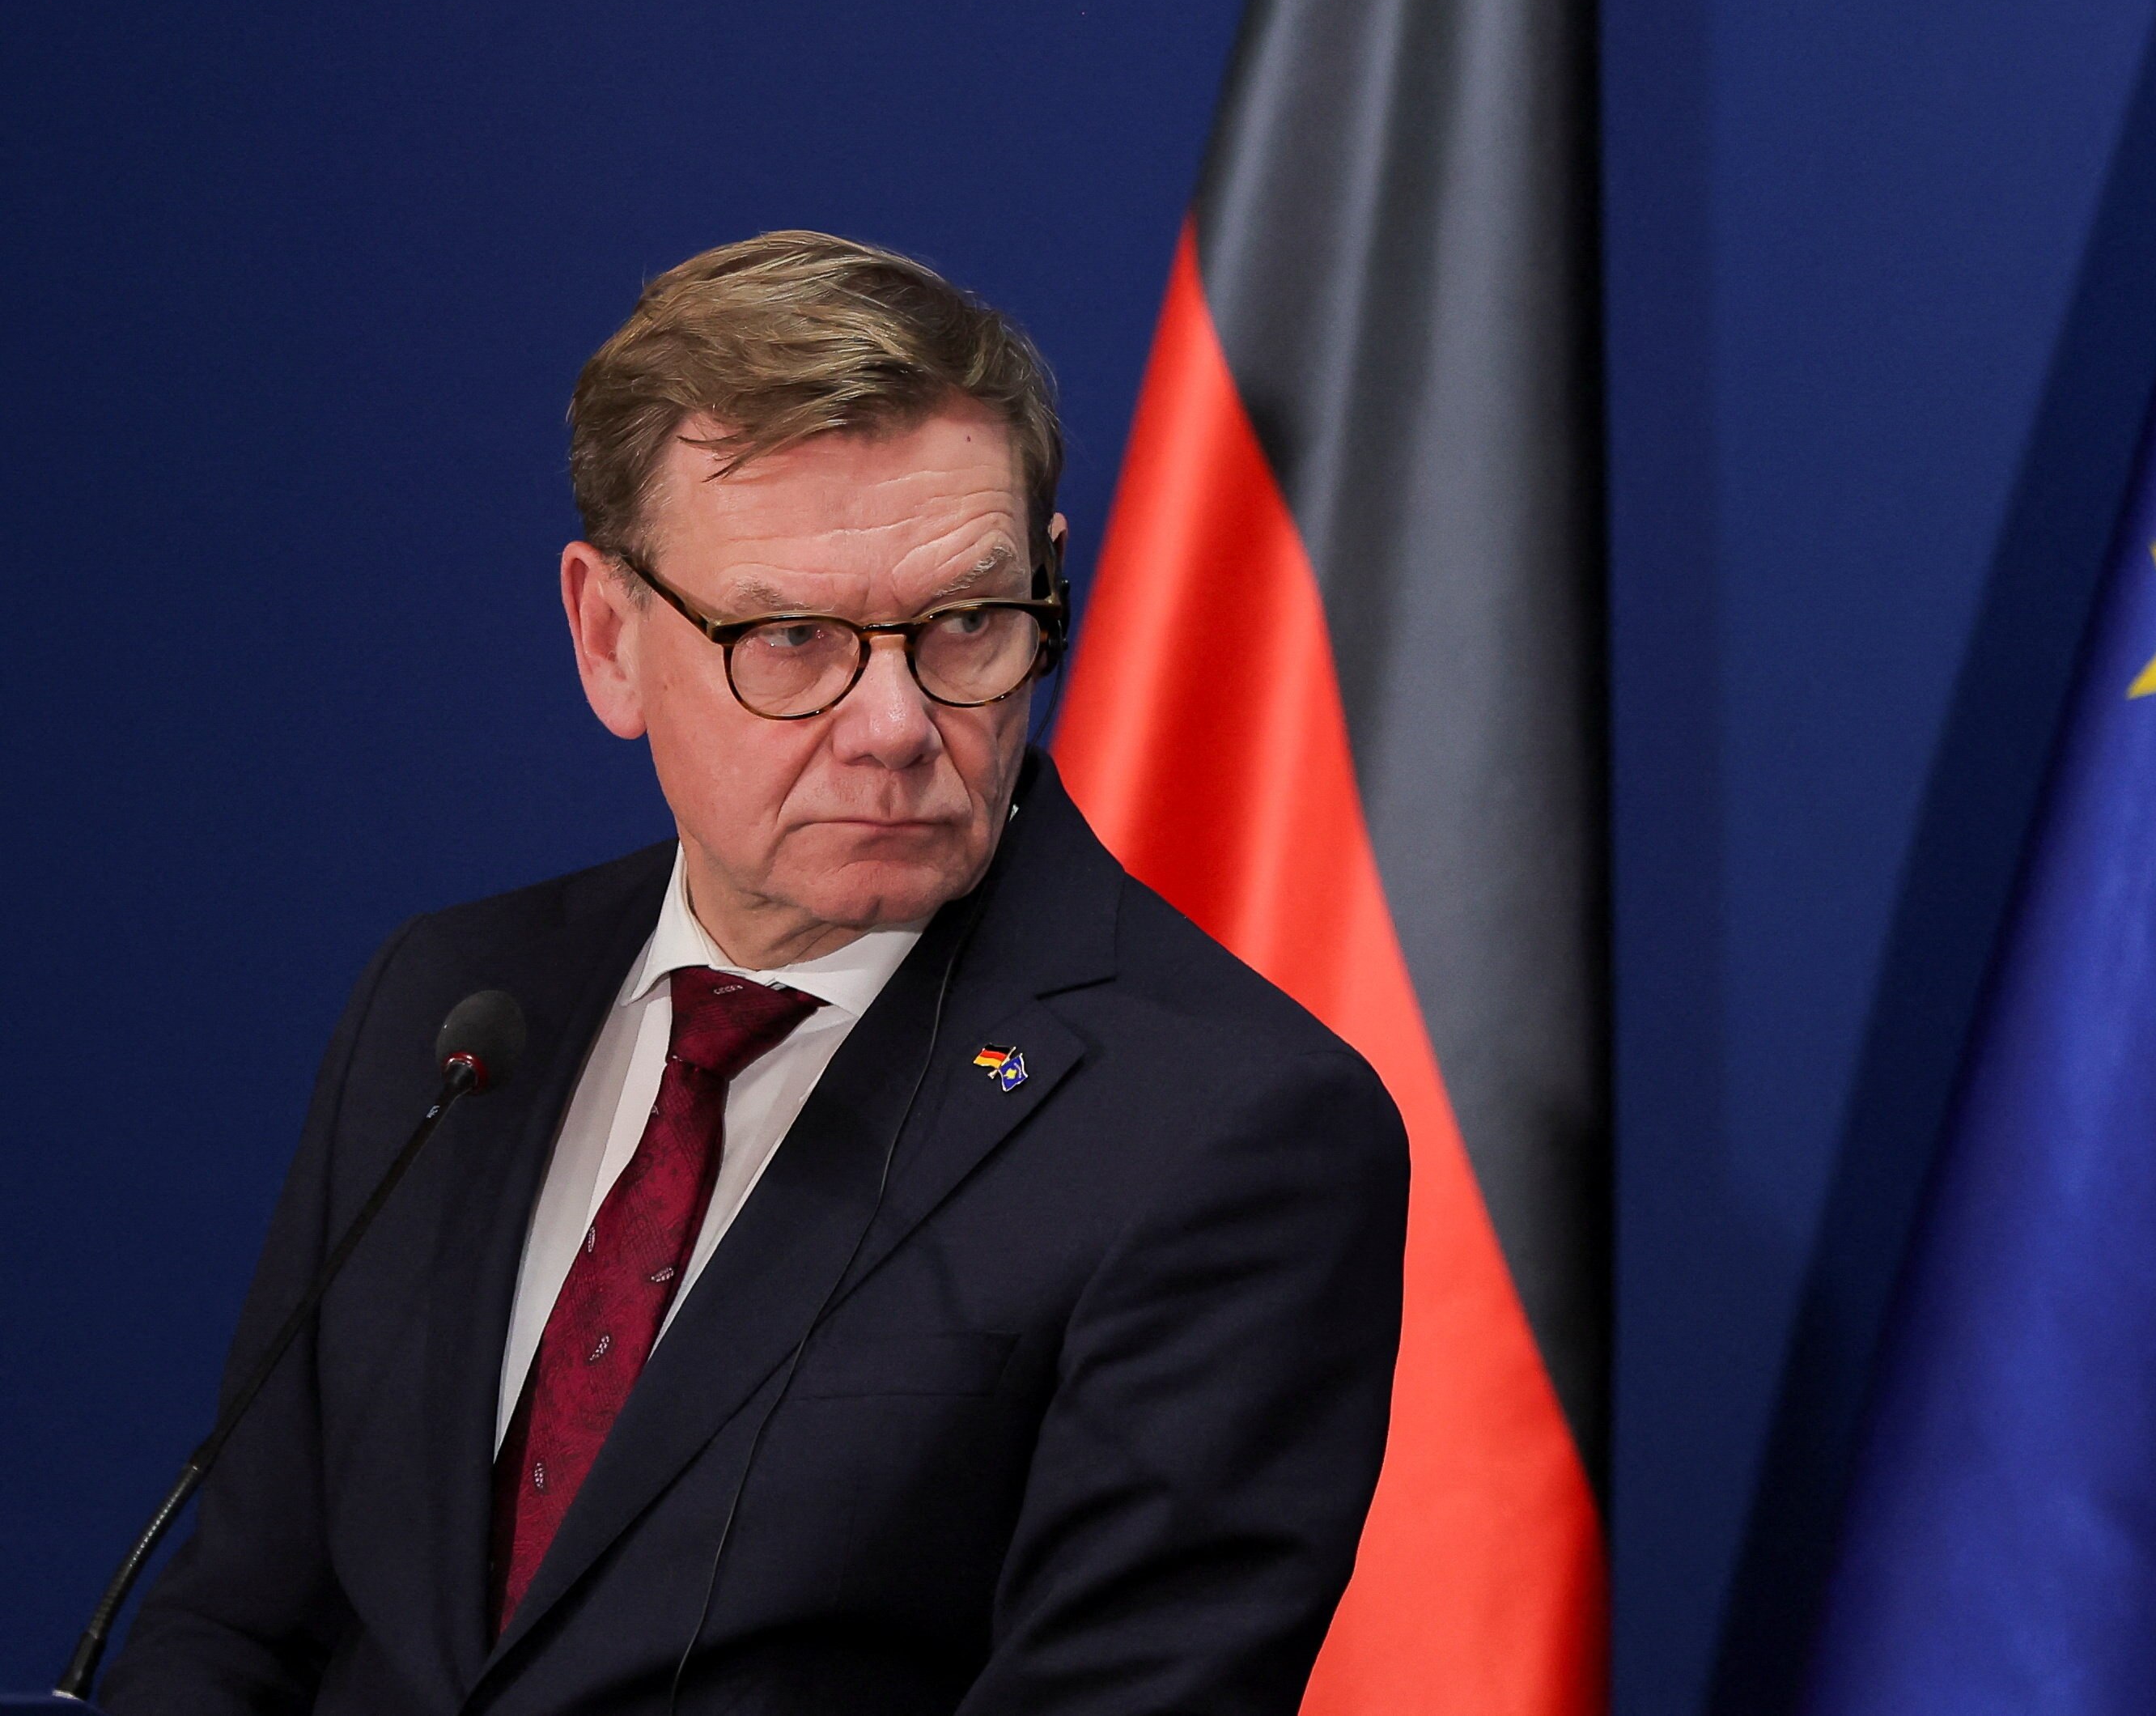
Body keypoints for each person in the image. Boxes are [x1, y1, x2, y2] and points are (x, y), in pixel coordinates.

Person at [103, 231, 1408, 1716]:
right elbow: (240, 1618)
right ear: (608, 636)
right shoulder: (454, 1003)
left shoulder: (1226, 1127)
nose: (898, 725)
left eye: (966, 624)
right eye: (792, 639)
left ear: (1049, 592)